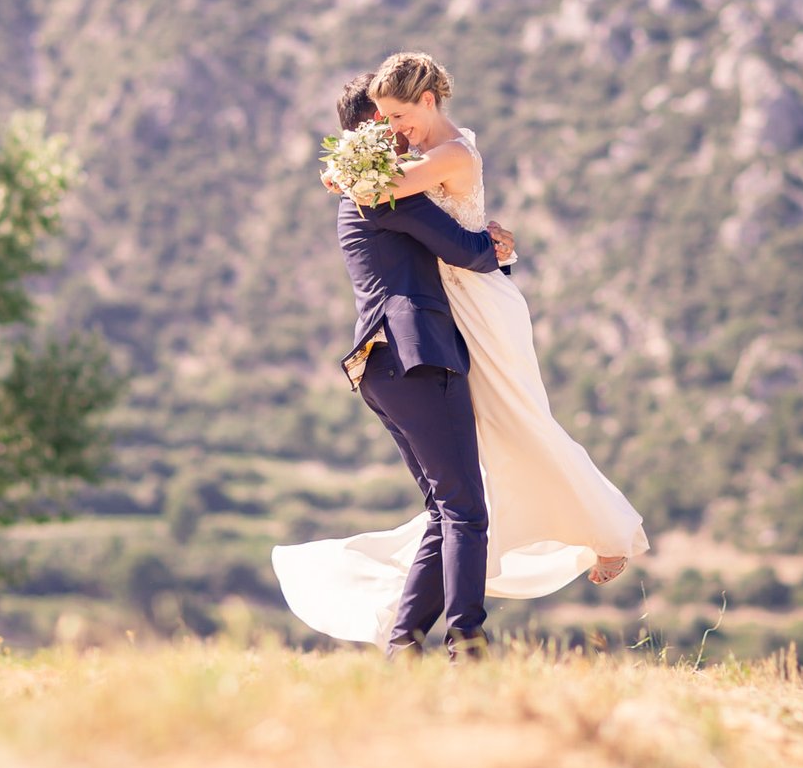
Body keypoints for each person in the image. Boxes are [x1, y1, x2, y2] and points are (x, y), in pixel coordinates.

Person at [273, 53, 648, 652]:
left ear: (424, 102)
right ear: (364, 133)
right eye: (384, 124)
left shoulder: (400, 180)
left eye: (399, 118)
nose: (397, 133)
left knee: (453, 505)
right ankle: (466, 642)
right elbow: (464, 249)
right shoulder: (382, 194)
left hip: (395, 358)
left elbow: (457, 238)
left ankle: (405, 647)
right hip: (418, 352)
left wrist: (481, 239)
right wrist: (489, 244)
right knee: (467, 507)